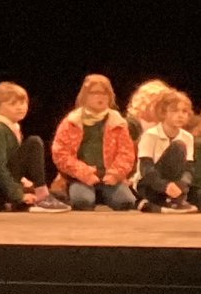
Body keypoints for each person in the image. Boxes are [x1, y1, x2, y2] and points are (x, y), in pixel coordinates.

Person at [0, 82, 65, 211]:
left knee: (61, 196)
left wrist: (23, 184)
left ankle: (30, 197)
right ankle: (37, 197)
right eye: (13, 104)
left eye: (23, 103)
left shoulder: (11, 127)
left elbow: (11, 162)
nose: (20, 107)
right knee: (34, 143)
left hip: (5, 183)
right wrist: (18, 195)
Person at [52, 73, 138, 210]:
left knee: (126, 202)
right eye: (95, 93)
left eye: (105, 93)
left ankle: (102, 195)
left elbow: (126, 153)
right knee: (83, 202)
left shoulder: (118, 122)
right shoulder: (72, 122)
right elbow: (60, 153)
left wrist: (115, 173)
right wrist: (83, 172)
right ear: (85, 96)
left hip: (109, 178)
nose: (100, 97)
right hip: (81, 177)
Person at [135, 87, 201, 212]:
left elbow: (188, 169)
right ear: (163, 113)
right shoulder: (150, 135)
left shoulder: (188, 137)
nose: (180, 115)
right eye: (175, 111)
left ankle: (173, 201)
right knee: (178, 146)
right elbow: (146, 168)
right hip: (151, 185)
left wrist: (181, 185)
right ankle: (152, 201)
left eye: (184, 111)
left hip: (174, 186)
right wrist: (165, 186)